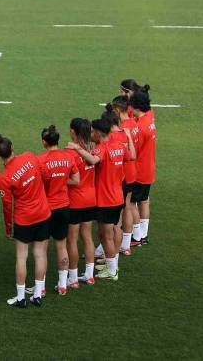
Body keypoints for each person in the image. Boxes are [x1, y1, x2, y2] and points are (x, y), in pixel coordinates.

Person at [67, 118, 130, 281]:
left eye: (93, 132)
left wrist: (76, 148)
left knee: (105, 236)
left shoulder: (101, 149)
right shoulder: (118, 146)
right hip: (117, 196)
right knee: (113, 231)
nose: (90, 134)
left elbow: (94, 160)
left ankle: (112, 270)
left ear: (99, 134)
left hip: (106, 199)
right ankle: (111, 265)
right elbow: (131, 156)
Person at [0, 134, 51, 308]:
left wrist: (8, 227)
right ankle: (37, 295)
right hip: (42, 213)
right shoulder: (29, 156)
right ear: (12, 147)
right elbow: (45, 175)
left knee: (22, 257)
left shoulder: (4, 177)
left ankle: (21, 298)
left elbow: (7, 205)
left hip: (24, 219)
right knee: (40, 254)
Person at [37, 125, 80, 296]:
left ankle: (41, 287)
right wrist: (61, 181)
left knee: (42, 249)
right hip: (63, 206)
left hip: (46, 208)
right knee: (61, 245)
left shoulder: (41, 160)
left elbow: (37, 183)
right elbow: (76, 180)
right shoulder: (68, 157)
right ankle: (63, 285)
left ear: (44, 142)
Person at [66, 118, 97, 287]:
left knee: (72, 240)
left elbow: (71, 178)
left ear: (73, 132)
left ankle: (73, 277)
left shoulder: (71, 153)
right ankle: (89, 275)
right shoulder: (92, 149)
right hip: (91, 198)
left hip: (76, 200)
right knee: (87, 237)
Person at [104, 100, 138, 256]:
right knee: (128, 207)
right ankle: (125, 244)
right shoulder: (129, 128)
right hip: (130, 173)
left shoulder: (114, 137)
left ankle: (112, 251)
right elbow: (133, 154)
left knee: (116, 217)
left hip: (119, 177)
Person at [130, 91, 156, 246]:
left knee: (131, 203)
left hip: (139, 172)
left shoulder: (140, 127)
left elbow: (134, 152)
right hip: (149, 169)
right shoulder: (150, 117)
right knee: (144, 200)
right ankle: (143, 234)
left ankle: (137, 236)